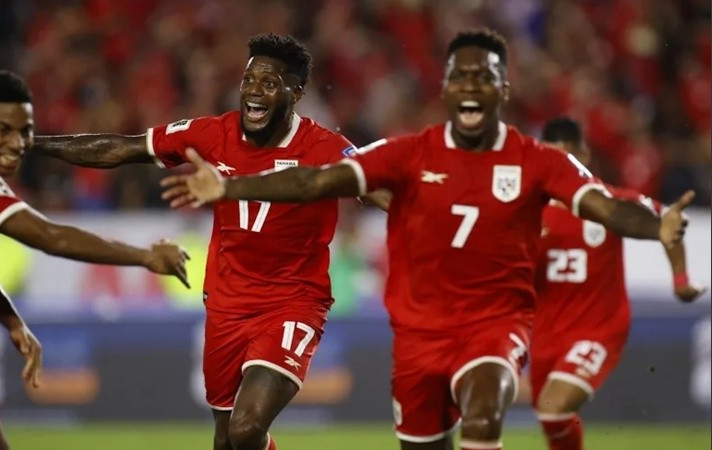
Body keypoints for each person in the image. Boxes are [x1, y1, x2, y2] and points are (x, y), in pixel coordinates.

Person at [161, 29, 693, 450]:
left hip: (494, 319)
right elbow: (315, 180)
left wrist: (656, 227)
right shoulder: (409, 153)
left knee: (484, 418)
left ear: (502, 90)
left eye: (482, 77)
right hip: (420, 332)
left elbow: (603, 204)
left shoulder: (540, 161)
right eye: (459, 76)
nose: (469, 86)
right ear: (445, 88)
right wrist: (231, 185)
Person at [31, 33, 385, 450]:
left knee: (247, 426)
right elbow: (121, 149)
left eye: (269, 83)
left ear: (297, 92)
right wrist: (32, 145)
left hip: (293, 302)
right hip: (226, 306)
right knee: (226, 440)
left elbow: (376, 189)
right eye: (249, 79)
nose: (254, 90)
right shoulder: (210, 134)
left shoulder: (325, 148)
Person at [0, 71, 190, 450]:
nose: (17, 143)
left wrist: (11, 321)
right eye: (3, 130)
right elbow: (50, 236)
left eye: (24, 130)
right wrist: (144, 256)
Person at [527, 116, 706, 450]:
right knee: (551, 416)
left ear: (585, 156)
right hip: (546, 332)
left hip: (597, 328)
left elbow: (669, 222)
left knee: (555, 407)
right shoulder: (525, 215)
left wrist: (680, 280)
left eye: (567, 159)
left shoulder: (610, 203)